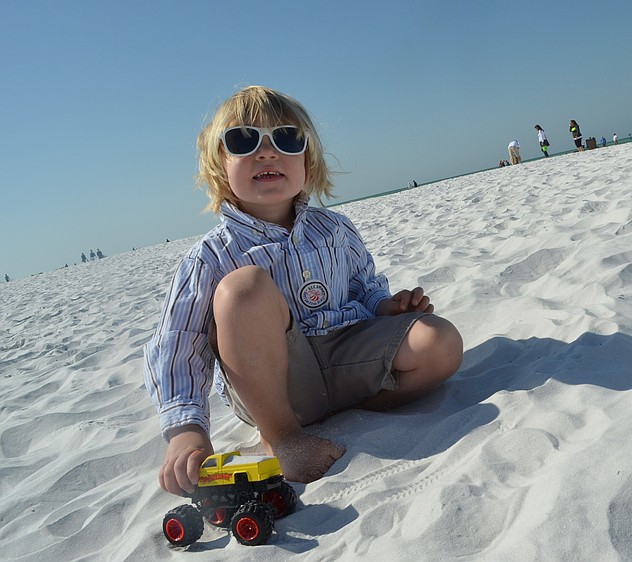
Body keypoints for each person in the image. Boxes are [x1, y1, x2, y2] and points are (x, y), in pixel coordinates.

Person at [144, 86, 464, 495]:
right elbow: (178, 342)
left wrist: (386, 307)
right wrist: (186, 429)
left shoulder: (336, 230)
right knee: (245, 289)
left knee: (441, 341)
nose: (267, 152)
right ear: (219, 165)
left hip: (346, 355)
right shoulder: (211, 256)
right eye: (244, 140)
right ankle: (283, 437)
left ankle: (351, 406)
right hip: (275, 383)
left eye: (286, 138)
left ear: (308, 161)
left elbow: (364, 288)